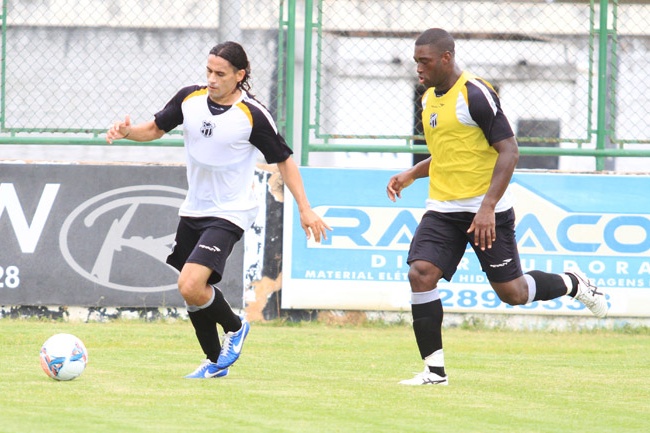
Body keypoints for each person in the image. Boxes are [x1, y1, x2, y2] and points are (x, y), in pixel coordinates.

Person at [386, 28, 608, 386]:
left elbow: (509, 151)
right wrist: (412, 173)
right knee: (420, 273)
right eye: (416, 62)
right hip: (442, 208)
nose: (418, 68)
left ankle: (572, 283)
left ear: (446, 58)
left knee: (513, 293)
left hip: (487, 211)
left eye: (424, 61)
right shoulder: (428, 100)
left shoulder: (475, 94)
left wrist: (487, 207)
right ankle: (434, 372)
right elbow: (449, 153)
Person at [106, 41, 331, 379]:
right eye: (209, 71)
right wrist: (127, 132)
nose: (212, 79)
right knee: (194, 293)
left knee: (190, 284)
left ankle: (236, 328)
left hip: (230, 211)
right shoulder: (190, 99)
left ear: (240, 75)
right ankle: (214, 364)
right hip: (194, 209)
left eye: (220, 74)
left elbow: (284, 160)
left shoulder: (252, 115)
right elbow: (154, 129)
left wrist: (305, 208)